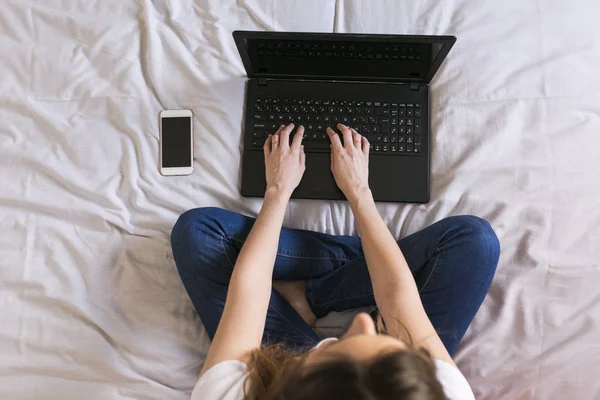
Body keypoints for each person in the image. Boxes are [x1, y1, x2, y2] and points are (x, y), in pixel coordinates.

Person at [171, 123, 500, 400]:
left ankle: (313, 296)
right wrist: (358, 191)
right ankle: (314, 296)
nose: (365, 322)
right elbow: (397, 298)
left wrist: (278, 190)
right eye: (390, 347)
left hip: (284, 356)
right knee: (474, 242)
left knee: (199, 234)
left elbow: (251, 290)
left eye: (341, 346)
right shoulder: (434, 391)